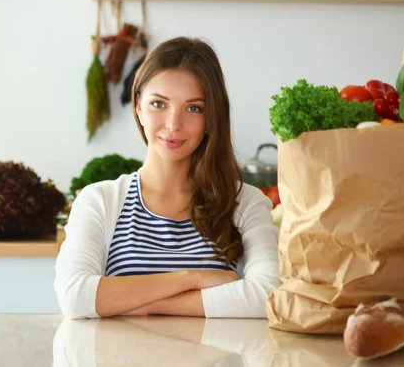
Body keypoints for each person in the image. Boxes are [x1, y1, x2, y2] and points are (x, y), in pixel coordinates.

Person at [54, 36, 280, 319]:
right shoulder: (99, 200)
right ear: (138, 106)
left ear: (211, 117)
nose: (173, 124)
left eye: (193, 108)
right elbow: (75, 297)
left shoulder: (245, 203)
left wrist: (144, 305)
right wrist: (192, 279)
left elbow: (270, 295)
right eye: (159, 104)